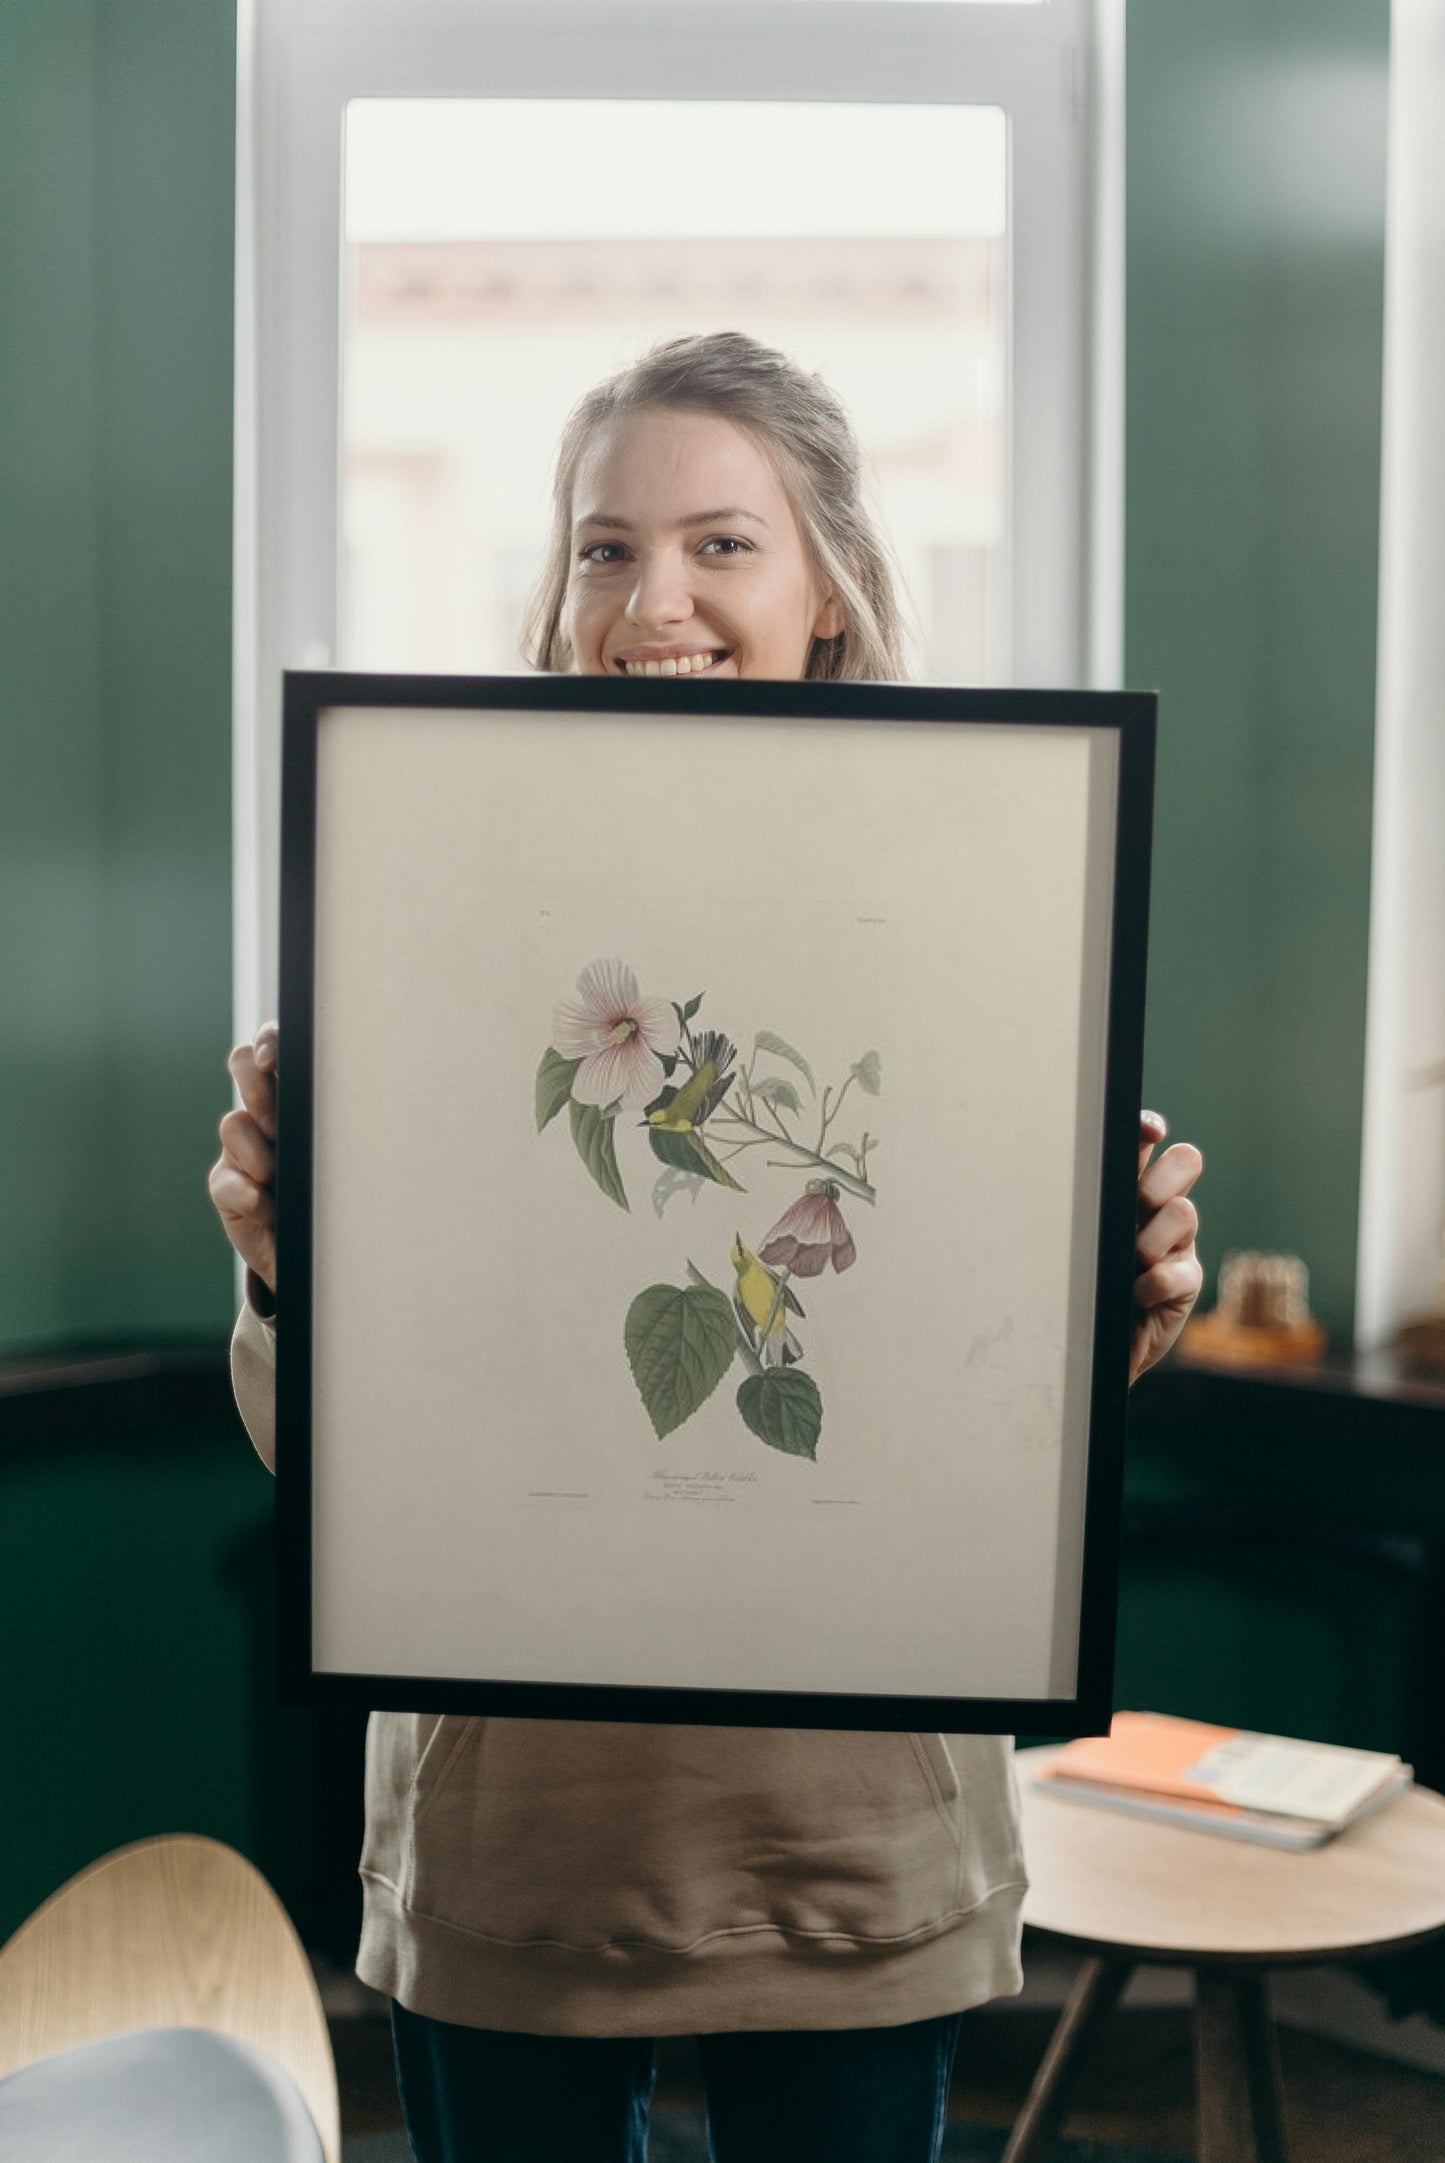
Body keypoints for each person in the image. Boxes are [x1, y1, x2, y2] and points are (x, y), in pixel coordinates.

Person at [209, 332, 1204, 2163]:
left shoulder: (987, 907)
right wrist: (285, 1274)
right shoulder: (423, 907)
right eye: (603, 546)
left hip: (850, 1833)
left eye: (719, 544)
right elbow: (339, 1460)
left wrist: (1112, 1304)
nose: (649, 597)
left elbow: (977, 1406)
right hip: (520, 1830)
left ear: (826, 585)